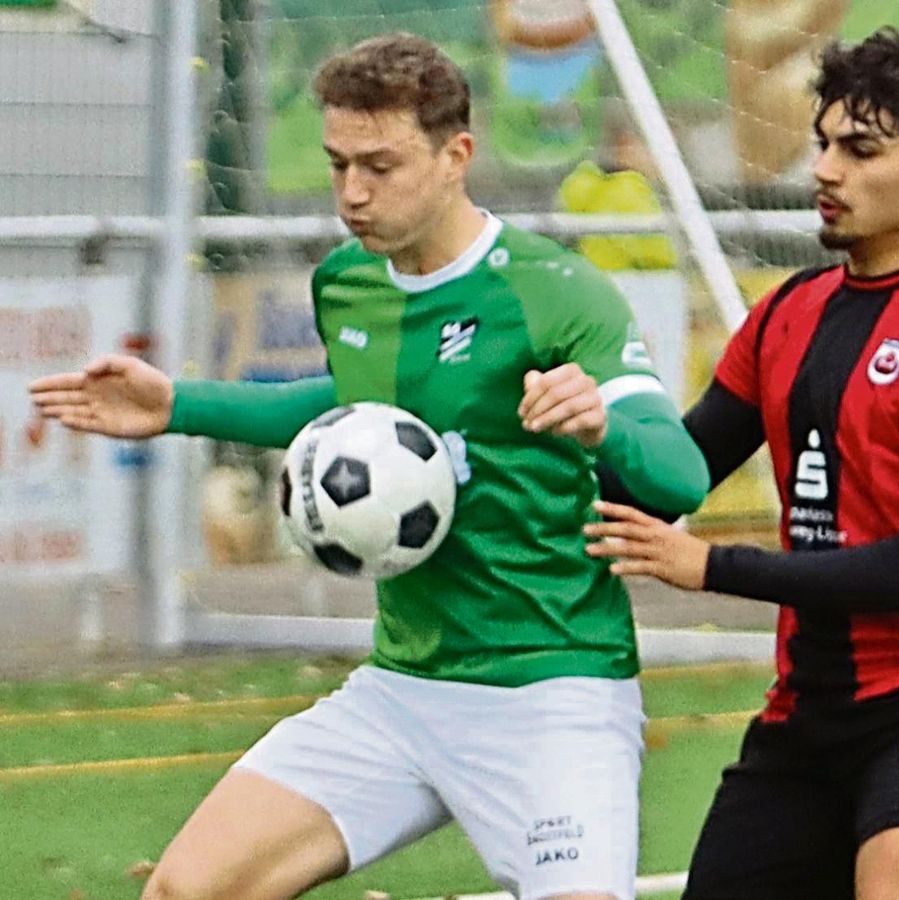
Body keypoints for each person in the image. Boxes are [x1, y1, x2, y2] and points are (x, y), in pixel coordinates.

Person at [29, 33, 709, 900]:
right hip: (403, 689)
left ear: (455, 155)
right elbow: (355, 406)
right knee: (189, 888)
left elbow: (680, 476)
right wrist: (180, 407)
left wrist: (601, 423)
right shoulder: (349, 281)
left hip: (552, 693)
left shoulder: (555, 291)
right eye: (337, 163)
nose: (351, 193)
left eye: (380, 166)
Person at [588, 28, 899, 900]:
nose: (825, 169)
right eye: (823, 142)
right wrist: (587, 430)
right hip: (808, 708)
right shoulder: (788, 313)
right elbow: (670, 475)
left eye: (859, 149)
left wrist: (712, 565)